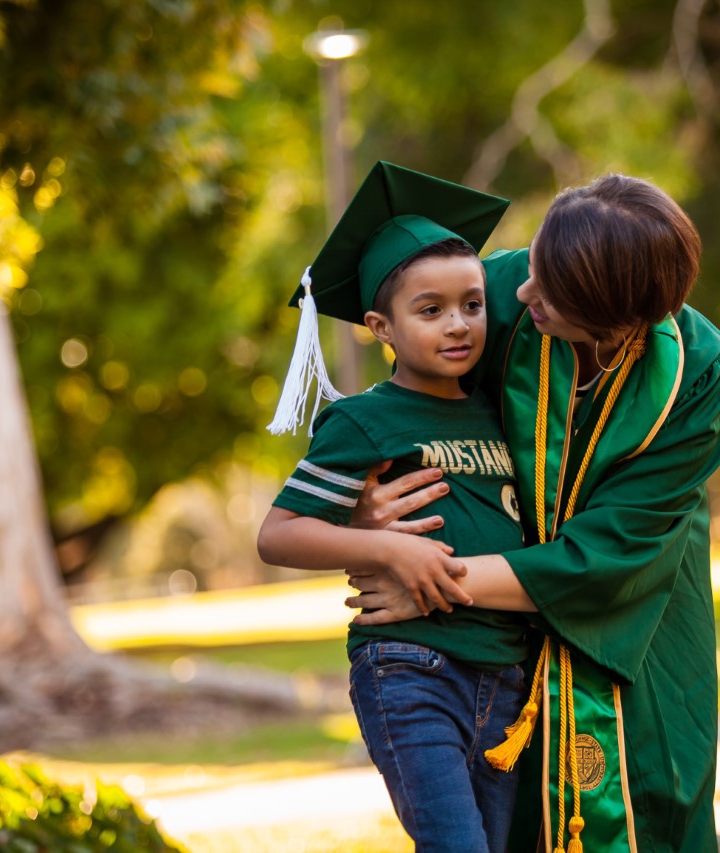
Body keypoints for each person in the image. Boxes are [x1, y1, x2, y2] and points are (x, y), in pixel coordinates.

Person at [344, 173, 720, 853]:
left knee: (651, 796)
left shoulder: (699, 373)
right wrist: (367, 508)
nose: (524, 293)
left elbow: (613, 552)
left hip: (635, 613)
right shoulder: (495, 293)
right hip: (492, 639)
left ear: (618, 323)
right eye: (534, 266)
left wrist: (432, 579)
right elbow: (399, 417)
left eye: (550, 294)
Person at [256, 161, 533, 853]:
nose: (459, 324)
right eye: (429, 309)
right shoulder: (365, 422)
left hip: (505, 677)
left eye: (472, 303)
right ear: (380, 325)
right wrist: (387, 546)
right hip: (411, 668)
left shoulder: (504, 414)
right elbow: (279, 533)